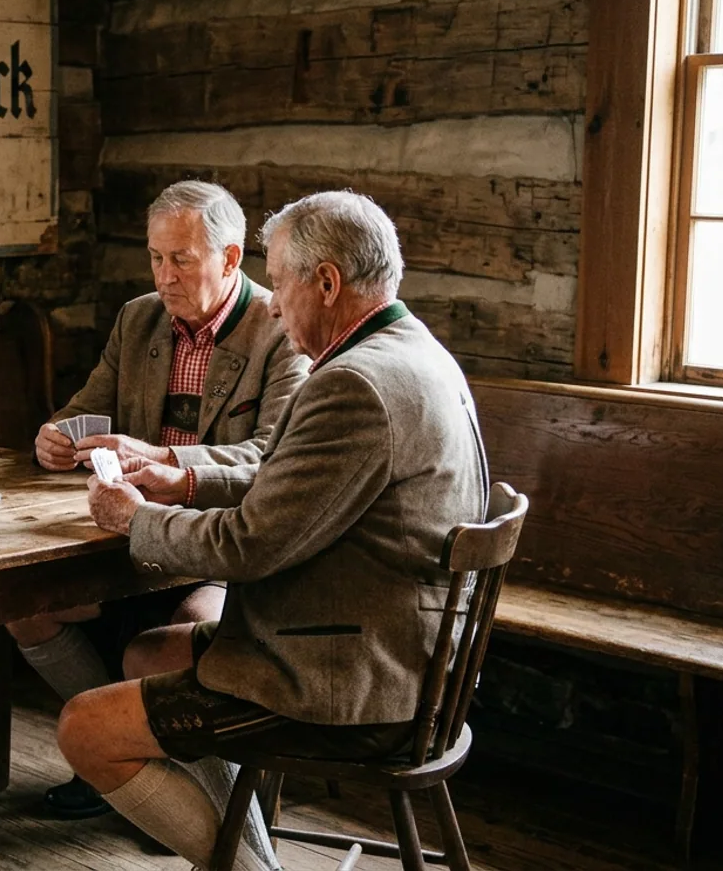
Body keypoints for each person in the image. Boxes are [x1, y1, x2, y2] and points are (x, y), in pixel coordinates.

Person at [59, 191, 489, 871]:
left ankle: (250, 870)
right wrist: (187, 481)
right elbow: (296, 483)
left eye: (280, 278)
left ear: (326, 282)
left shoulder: (353, 384)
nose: (272, 301)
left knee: (84, 728)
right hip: (414, 660)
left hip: (346, 683)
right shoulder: (415, 351)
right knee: (147, 653)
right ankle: (244, 852)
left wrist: (137, 520)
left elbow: (248, 546)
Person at [16, 180, 307, 818]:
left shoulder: (280, 329)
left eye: (181, 259)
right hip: (126, 535)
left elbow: (268, 459)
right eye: (155, 257)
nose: (164, 275)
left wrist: (165, 459)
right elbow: (84, 409)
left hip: (220, 545)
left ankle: (169, 785)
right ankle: (129, 767)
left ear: (231, 259)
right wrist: (56, 437)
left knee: (173, 638)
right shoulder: (139, 316)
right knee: (25, 609)